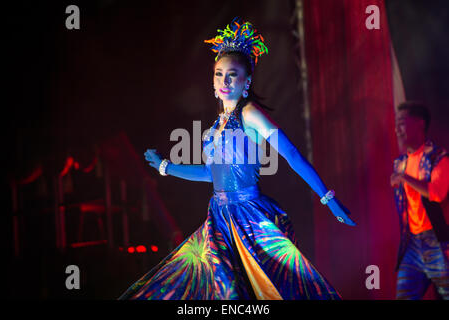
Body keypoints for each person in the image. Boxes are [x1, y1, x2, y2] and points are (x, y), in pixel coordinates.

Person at [119, 17, 355, 300]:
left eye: (232, 74)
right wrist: (166, 167)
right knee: (211, 290)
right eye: (219, 74)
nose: (224, 81)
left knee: (246, 292)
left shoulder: (250, 113)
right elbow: (210, 174)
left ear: (247, 81)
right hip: (218, 218)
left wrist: (327, 197)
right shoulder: (216, 126)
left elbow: (291, 155)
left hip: (248, 217)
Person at [391, 101, 449, 300]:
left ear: (419, 124)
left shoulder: (439, 157)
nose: (397, 129)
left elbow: (437, 193)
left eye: (401, 123)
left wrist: (405, 178)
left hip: (438, 242)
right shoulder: (401, 164)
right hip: (413, 244)